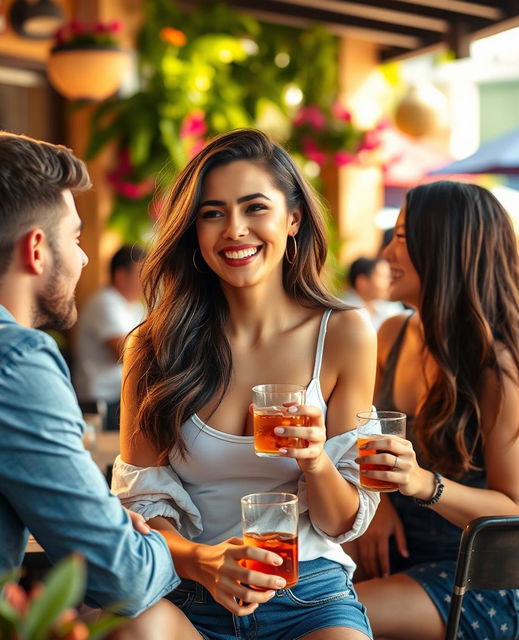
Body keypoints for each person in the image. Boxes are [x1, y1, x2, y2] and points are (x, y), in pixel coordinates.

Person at [0, 131, 201, 639]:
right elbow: (123, 577)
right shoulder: (11, 360)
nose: (84, 258)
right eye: (77, 237)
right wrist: (168, 549)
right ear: (36, 249)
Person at [113, 128, 380, 640]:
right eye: (213, 213)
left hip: (308, 592)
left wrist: (315, 459)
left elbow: (343, 520)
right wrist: (202, 561)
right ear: (193, 230)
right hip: (186, 588)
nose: (234, 229)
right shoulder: (151, 346)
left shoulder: (343, 334)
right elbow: (138, 508)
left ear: (293, 218)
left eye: (255, 207)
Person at [349, 181, 519, 640]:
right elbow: (355, 438)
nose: (386, 254)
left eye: (400, 237)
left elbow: (513, 508)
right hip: (395, 554)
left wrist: (421, 484)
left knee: (311, 618)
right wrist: (376, 507)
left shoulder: (499, 366)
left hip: (482, 579)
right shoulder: (391, 334)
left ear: (443, 246)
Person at [74, 244, 146, 430]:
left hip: (118, 398)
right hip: (100, 403)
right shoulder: (105, 302)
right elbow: (126, 352)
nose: (147, 281)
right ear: (121, 275)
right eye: (142, 274)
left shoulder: (133, 306)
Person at [341, 257, 403, 330]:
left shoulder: (389, 308)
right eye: (383, 277)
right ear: (362, 282)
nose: (390, 282)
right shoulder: (344, 312)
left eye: (389, 277)